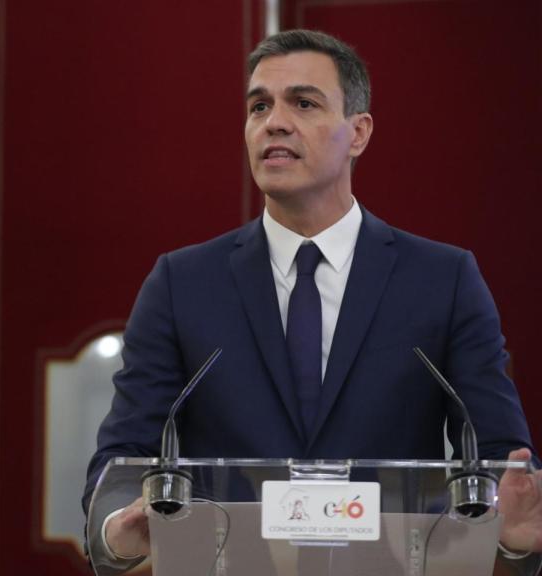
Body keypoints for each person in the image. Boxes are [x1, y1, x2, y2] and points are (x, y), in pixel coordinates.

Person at [83, 29, 542, 573]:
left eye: (303, 102)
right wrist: (118, 531)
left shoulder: (444, 280)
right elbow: (120, 464)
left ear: (359, 133)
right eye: (259, 106)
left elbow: (502, 465)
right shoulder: (181, 283)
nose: (274, 121)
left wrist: (511, 537)